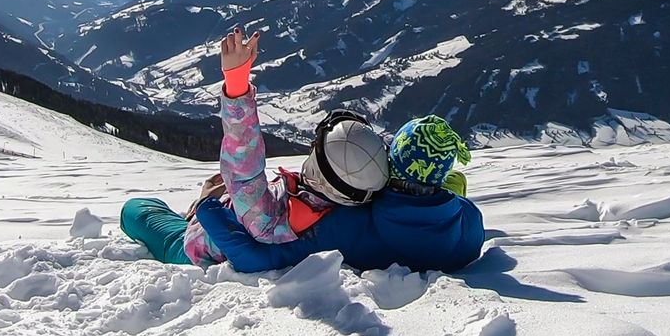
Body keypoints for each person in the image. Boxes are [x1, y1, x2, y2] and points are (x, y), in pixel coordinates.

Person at [120, 27, 388, 266]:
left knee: (134, 209)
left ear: (320, 169)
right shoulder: (332, 206)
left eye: (317, 147)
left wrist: (236, 83)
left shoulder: (268, 218)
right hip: (216, 220)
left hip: (191, 246)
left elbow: (243, 161)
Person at [195, 114, 484, 274]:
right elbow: (447, 200)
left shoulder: (352, 223)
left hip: (202, 240)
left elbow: (259, 260)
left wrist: (208, 210)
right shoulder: (470, 225)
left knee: (149, 213)